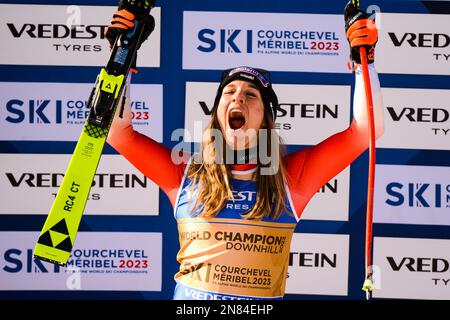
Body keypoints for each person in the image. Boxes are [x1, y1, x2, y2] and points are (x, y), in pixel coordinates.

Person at [105, 2, 384, 300]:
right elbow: (116, 132)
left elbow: (366, 131)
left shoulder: (291, 177)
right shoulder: (186, 172)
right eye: (229, 92)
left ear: (266, 118)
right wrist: (121, 56)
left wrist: (362, 62)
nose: (238, 97)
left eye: (251, 95)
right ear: (216, 113)